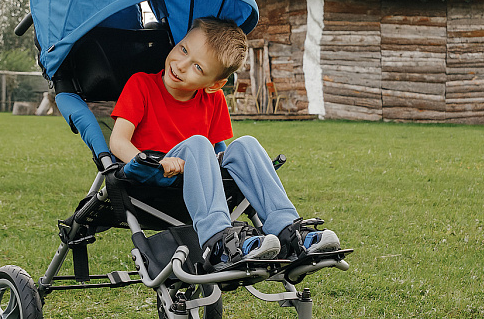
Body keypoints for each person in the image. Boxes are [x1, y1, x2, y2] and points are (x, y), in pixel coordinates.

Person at [109, 17, 340, 270]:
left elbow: (221, 152)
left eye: (198, 67)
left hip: (201, 183)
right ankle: (218, 243)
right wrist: (157, 162)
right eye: (183, 49)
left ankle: (289, 232)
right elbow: (118, 142)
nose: (181, 65)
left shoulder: (214, 99)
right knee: (199, 143)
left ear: (215, 84)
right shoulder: (141, 85)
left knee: (246, 145)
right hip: (152, 177)